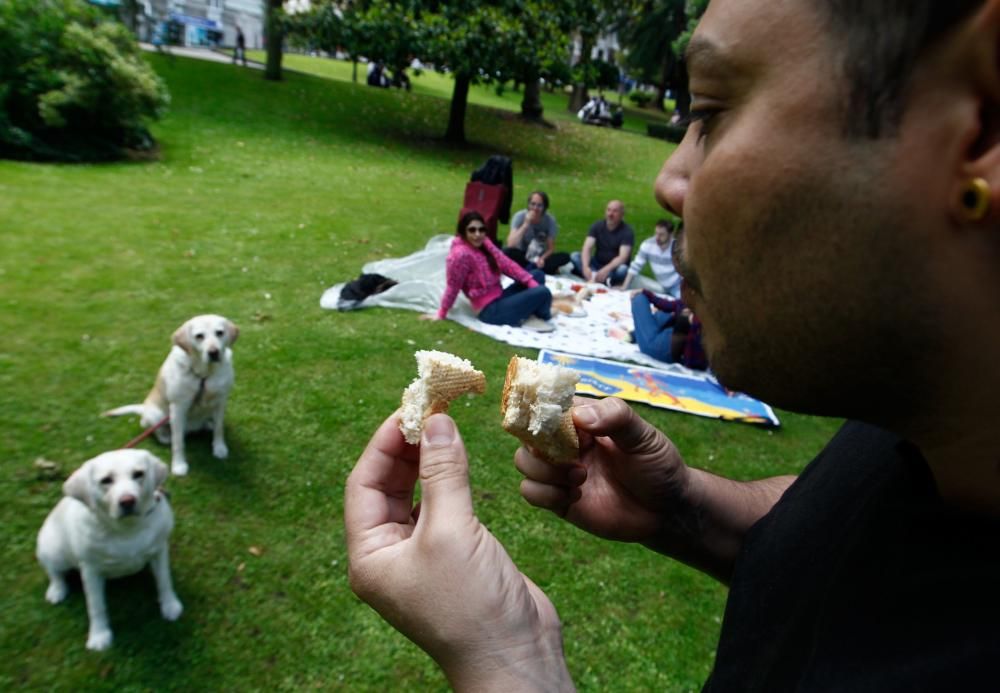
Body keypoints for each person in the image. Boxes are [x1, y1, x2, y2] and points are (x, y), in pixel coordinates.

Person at [346, 0, 1000, 689]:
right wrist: (685, 508)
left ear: (978, 116)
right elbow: (878, 538)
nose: (668, 181)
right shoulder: (927, 427)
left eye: (710, 111)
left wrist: (511, 661)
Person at [424, 211, 555, 332]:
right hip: (490, 312)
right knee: (543, 292)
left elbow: (506, 263)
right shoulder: (459, 255)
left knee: (537, 275)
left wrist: (529, 282)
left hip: (500, 297)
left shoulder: (485, 243)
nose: (477, 234)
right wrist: (442, 312)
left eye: (481, 230)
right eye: (472, 230)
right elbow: (453, 286)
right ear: (463, 232)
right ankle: (542, 315)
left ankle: (529, 314)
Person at [630, 288, 707, 369]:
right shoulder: (698, 301)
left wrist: (690, 319)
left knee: (639, 299)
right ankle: (635, 334)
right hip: (670, 336)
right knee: (662, 314)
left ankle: (636, 334)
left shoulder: (704, 316)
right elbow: (670, 305)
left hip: (663, 348)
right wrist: (646, 293)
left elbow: (697, 350)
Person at [503, 191, 571, 275]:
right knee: (506, 252)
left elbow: (551, 248)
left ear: (544, 207)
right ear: (528, 204)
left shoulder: (549, 221)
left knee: (565, 257)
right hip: (522, 254)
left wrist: (542, 258)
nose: (535, 208)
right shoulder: (519, 216)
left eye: (539, 205)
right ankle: (534, 268)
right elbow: (511, 244)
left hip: (540, 256)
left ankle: (530, 268)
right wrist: (526, 224)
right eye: (533, 204)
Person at [570, 200, 634, 286]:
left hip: (613, 268)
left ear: (622, 214)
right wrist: (585, 267)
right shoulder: (597, 226)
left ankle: (596, 277)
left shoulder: (627, 232)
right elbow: (587, 248)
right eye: (608, 210)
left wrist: (606, 270)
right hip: (597, 263)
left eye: (615, 211)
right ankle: (597, 277)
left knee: (623, 270)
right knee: (575, 256)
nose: (610, 214)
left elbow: (623, 257)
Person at [621, 219, 682, 296]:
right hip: (659, 285)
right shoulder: (648, 245)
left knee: (683, 304)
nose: (657, 237)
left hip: (676, 286)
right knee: (633, 279)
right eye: (656, 233)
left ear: (671, 235)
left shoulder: (677, 247)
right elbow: (635, 266)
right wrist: (624, 287)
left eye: (661, 234)